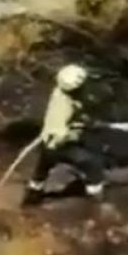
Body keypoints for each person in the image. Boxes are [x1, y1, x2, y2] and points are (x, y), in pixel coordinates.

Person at [24, 63, 107, 207]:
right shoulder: (66, 104)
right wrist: (77, 133)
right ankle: (96, 203)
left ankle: (32, 195)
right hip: (58, 145)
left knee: (42, 168)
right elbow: (61, 136)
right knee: (92, 164)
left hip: (47, 141)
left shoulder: (59, 92)